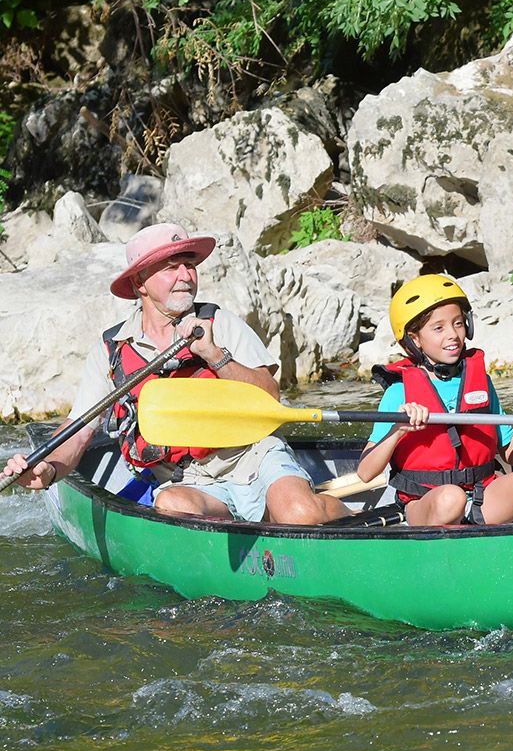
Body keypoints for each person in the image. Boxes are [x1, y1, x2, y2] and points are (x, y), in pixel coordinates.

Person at [1, 222, 349, 525]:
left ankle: (345, 518)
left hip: (251, 457)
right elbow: (78, 432)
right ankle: (250, 527)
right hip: (187, 478)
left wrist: (215, 356)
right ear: (140, 283)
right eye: (171, 268)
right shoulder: (112, 350)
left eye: (190, 265)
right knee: (171, 505)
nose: (186, 276)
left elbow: (270, 396)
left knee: (301, 515)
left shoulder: (221, 324)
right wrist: (46, 470)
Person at [357, 275, 513, 526]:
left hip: (483, 495)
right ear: (414, 339)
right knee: (452, 498)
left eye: (459, 323)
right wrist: (398, 430)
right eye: (438, 328)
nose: (453, 335)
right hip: (425, 502)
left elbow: (511, 456)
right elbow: (365, 472)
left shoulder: (481, 382)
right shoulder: (399, 392)